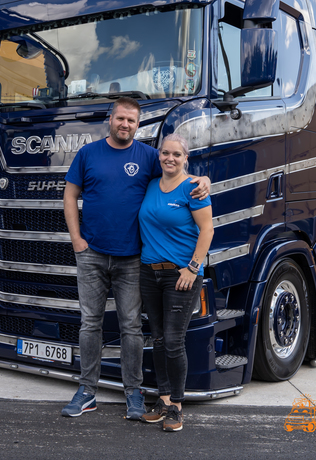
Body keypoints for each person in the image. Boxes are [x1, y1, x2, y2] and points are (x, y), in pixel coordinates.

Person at [61, 97, 210, 419]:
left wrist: (204, 180)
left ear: (137, 125)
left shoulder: (147, 155)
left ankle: (134, 394)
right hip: (92, 255)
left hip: (132, 259)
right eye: (120, 119)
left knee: (131, 326)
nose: (125, 124)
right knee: (90, 323)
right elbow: (70, 195)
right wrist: (76, 240)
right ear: (110, 120)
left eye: (131, 120)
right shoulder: (88, 153)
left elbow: (177, 171)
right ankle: (87, 390)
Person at [138, 133, 214, 432]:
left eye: (177, 155)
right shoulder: (150, 185)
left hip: (180, 275)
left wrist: (192, 268)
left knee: (172, 341)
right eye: (165, 153)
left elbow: (207, 230)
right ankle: (163, 399)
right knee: (157, 338)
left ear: (186, 158)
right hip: (148, 273)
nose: (170, 158)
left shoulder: (194, 189)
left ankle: (177, 408)